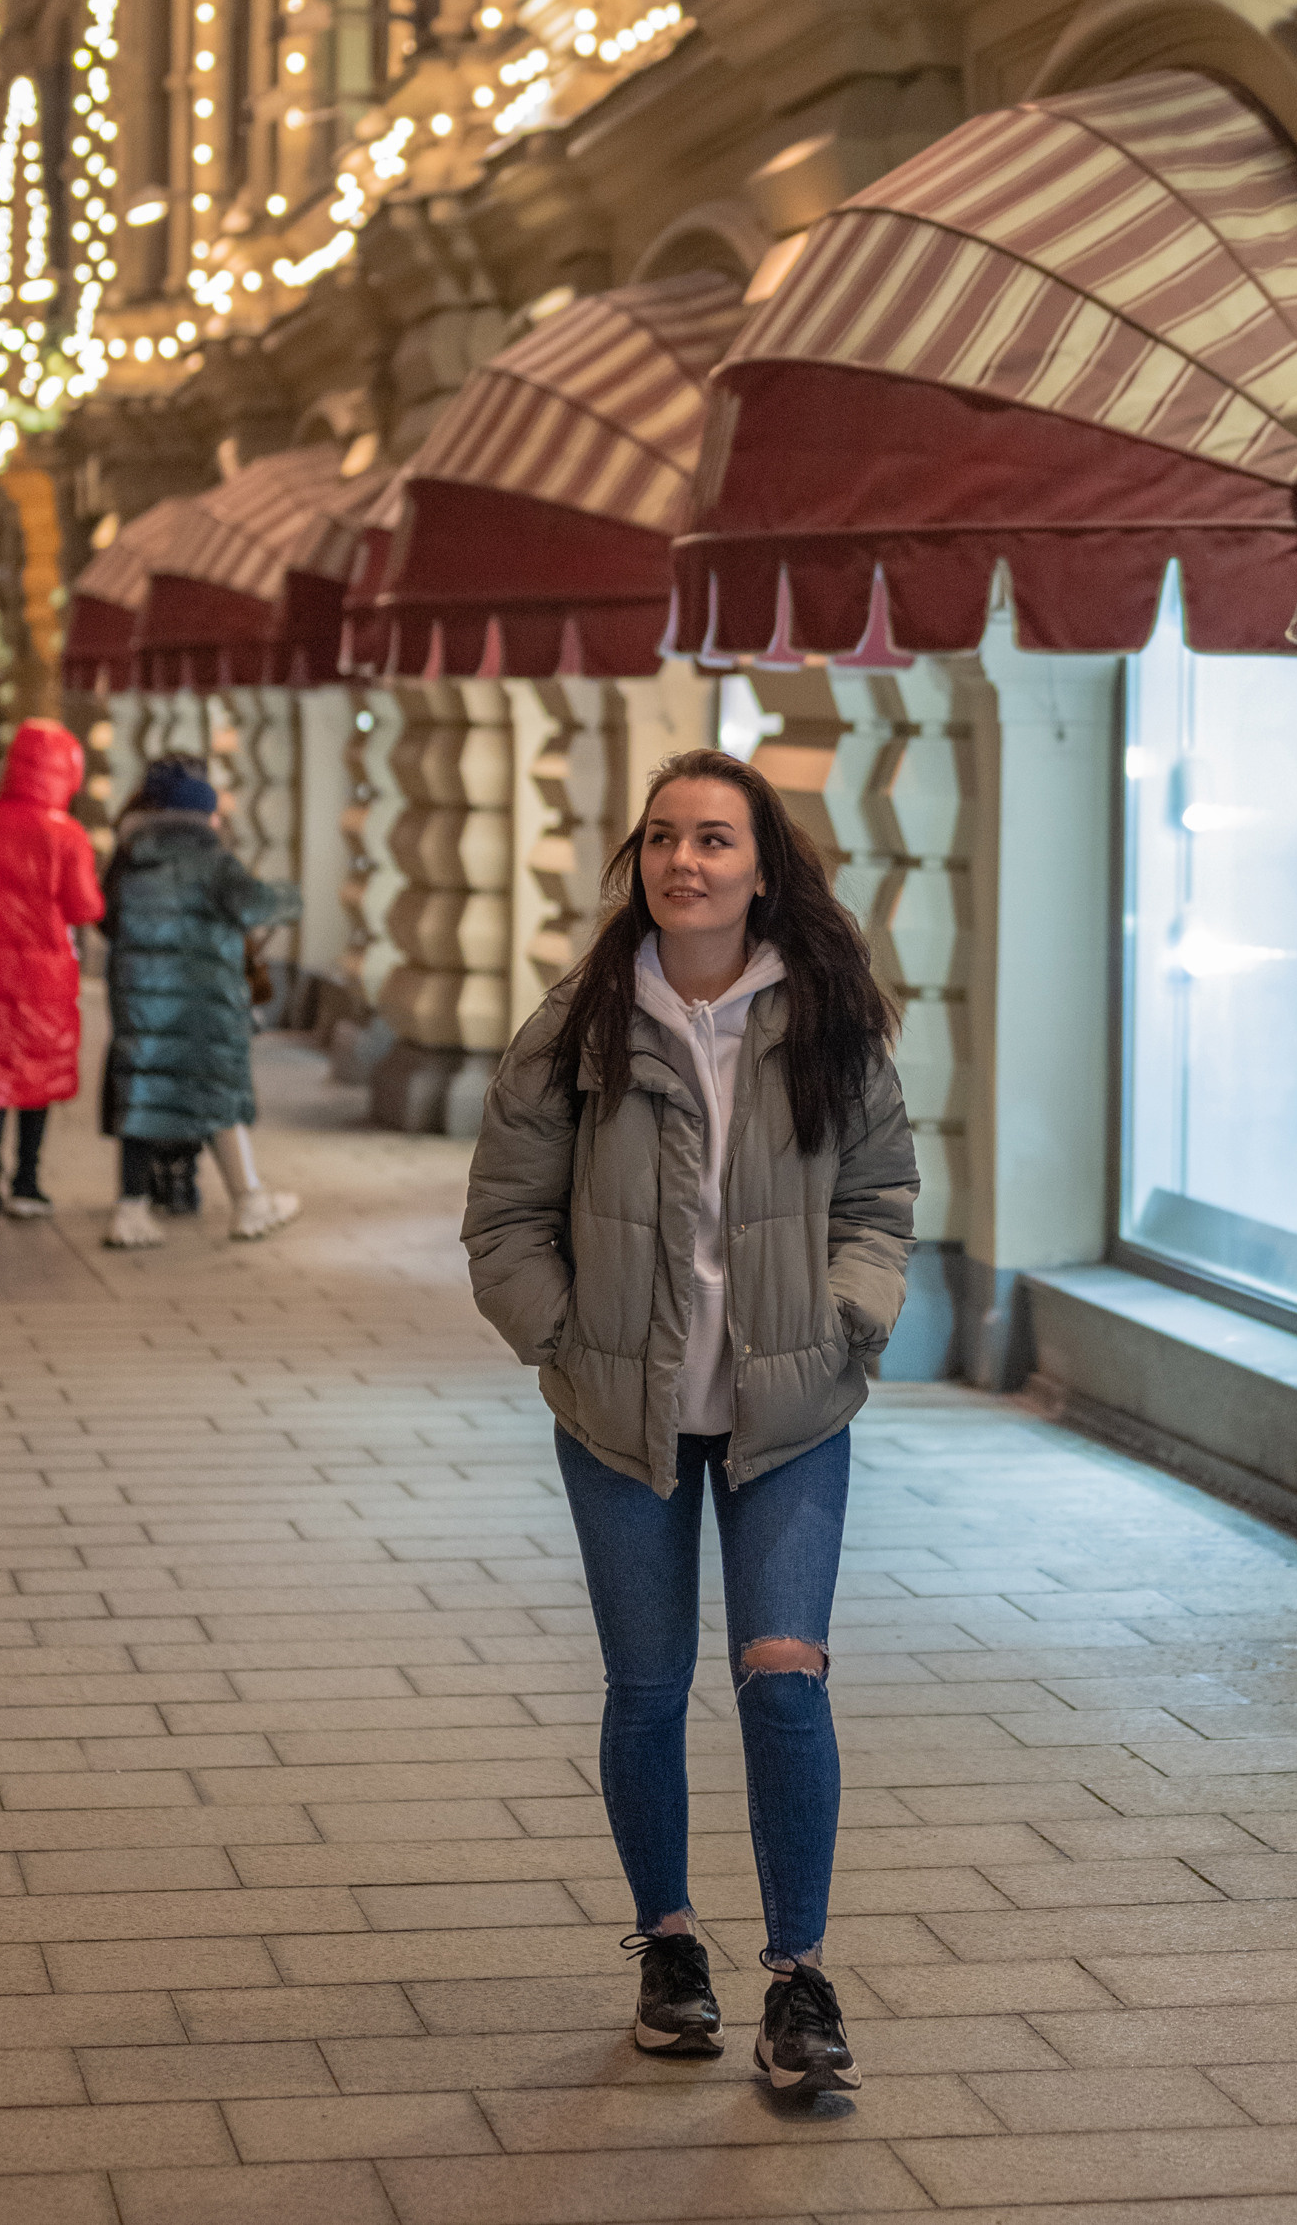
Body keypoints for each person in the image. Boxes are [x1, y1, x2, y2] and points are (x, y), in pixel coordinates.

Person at [463, 748, 916, 2099]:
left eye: (714, 839)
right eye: (663, 838)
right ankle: (669, 1946)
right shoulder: (581, 1022)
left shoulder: (828, 1017)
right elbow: (503, 1217)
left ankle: (798, 1973)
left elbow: (882, 1196)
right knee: (648, 1688)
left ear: (761, 866)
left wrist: (848, 1315)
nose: (684, 861)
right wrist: (563, 1335)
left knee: (784, 1678)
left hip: (790, 1408)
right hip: (622, 1417)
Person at [100, 759, 303, 1251]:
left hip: (141, 1001)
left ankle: (130, 1211)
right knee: (217, 1096)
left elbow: (106, 922)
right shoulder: (213, 862)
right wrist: (291, 897)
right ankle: (249, 1200)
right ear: (200, 816)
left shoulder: (129, 857)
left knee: (142, 1098)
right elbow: (256, 905)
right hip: (204, 1001)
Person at [0, 718, 104, 1218]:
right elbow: (84, 908)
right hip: (45, 973)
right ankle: (27, 1182)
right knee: (39, 1069)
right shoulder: (67, 834)